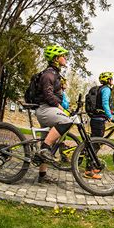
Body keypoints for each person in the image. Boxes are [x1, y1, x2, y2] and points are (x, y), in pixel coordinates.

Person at [35, 45, 73, 184]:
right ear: (56, 58)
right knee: (67, 121)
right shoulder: (48, 74)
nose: (66, 58)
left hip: (48, 109)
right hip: (45, 109)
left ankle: (42, 175)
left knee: (46, 142)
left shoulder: (55, 74)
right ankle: (45, 148)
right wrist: (61, 109)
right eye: (63, 55)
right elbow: (48, 95)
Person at [86, 71, 114, 179]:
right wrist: (110, 117)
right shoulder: (106, 89)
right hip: (99, 120)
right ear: (108, 80)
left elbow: (103, 105)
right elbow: (104, 104)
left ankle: (91, 166)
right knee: (95, 145)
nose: (112, 80)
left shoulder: (100, 89)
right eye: (111, 78)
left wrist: (113, 113)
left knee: (95, 144)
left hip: (96, 119)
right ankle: (89, 170)